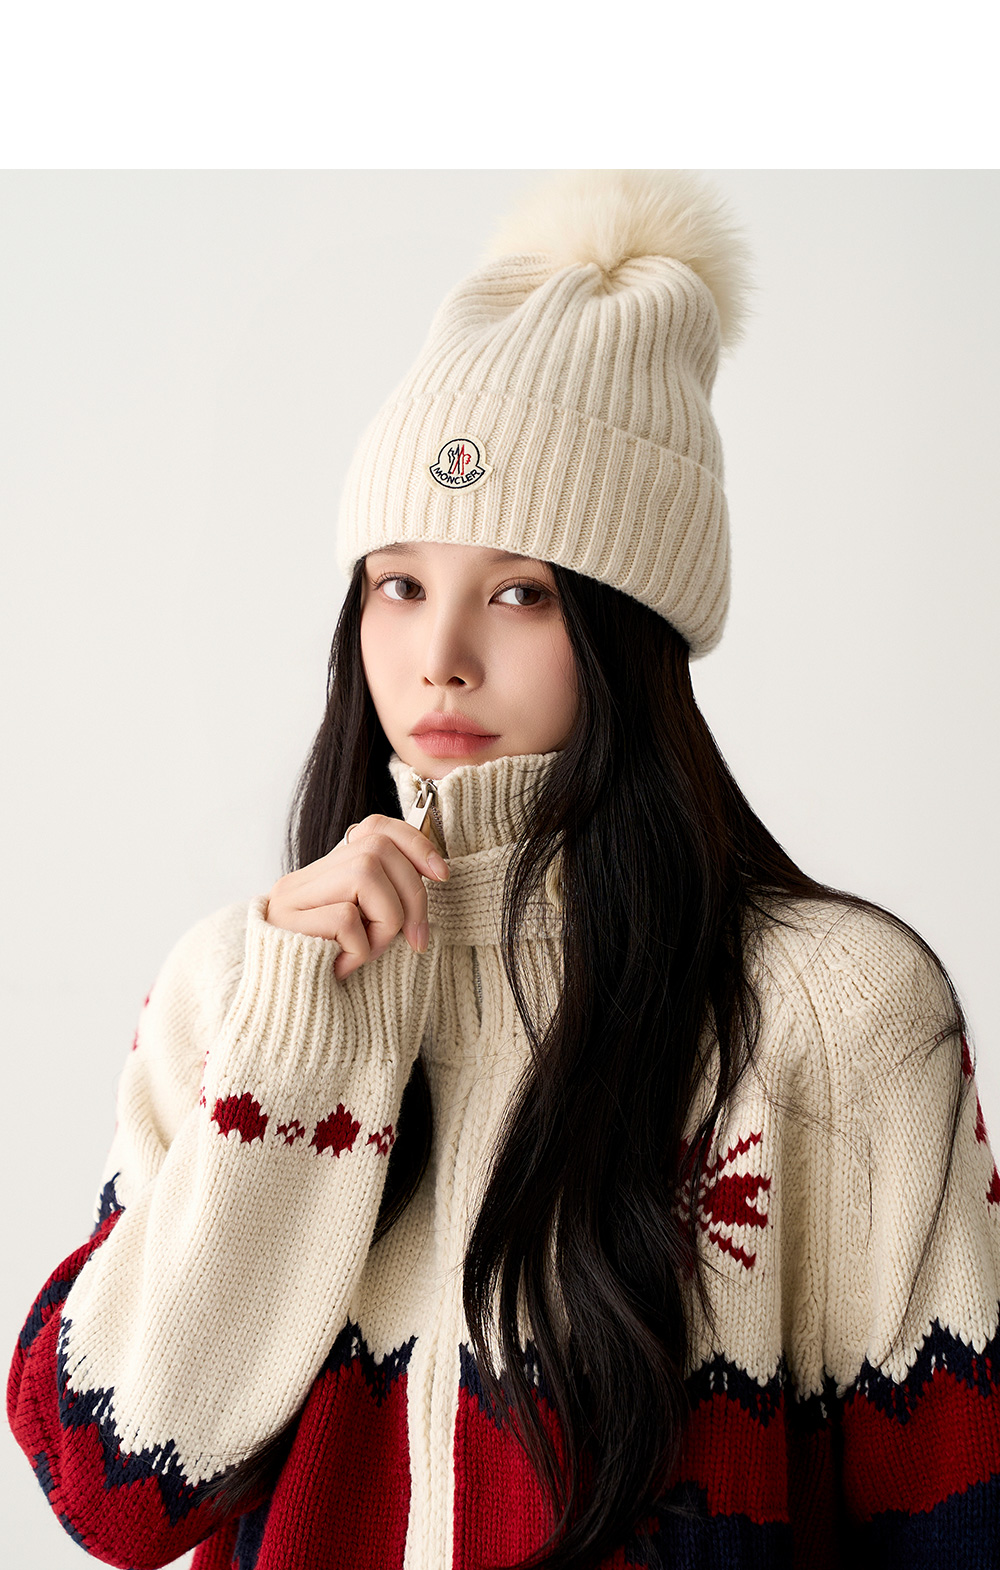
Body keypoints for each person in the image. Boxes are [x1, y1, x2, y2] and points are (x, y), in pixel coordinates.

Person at [8, 169, 1000, 1570]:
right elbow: (115, 1493)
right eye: (399, 584)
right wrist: (298, 1056)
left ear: (626, 628)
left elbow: (953, 1512)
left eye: (520, 591)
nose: (441, 656)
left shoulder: (833, 1008)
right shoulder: (239, 986)